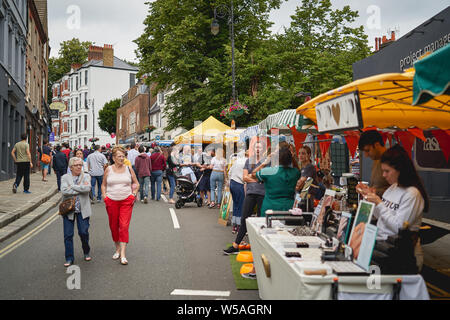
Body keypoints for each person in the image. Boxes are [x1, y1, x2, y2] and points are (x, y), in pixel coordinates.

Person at [363, 144, 429, 271]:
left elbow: (398, 227)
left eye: (387, 171)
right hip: (382, 249)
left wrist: (379, 203)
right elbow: (381, 216)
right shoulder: (392, 188)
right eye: (383, 171)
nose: (383, 175)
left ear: (400, 170)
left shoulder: (412, 194)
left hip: (400, 256)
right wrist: (370, 197)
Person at [223, 140, 267, 255]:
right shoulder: (249, 161)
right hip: (251, 192)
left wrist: (253, 178)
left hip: (263, 193)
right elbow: (244, 178)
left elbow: (266, 178)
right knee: (244, 218)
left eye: (260, 147)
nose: (258, 149)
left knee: (262, 220)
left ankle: (260, 246)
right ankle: (236, 245)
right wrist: (258, 180)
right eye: (256, 147)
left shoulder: (266, 162)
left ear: (263, 149)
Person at [101, 146, 140, 265]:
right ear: (113, 158)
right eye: (119, 156)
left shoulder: (129, 168)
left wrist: (133, 194)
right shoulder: (108, 169)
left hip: (126, 201)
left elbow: (136, 183)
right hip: (111, 201)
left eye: (123, 156)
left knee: (123, 226)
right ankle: (117, 248)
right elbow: (103, 185)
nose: (122, 158)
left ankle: (123, 254)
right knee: (114, 226)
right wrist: (105, 197)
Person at [60, 157, 92, 267]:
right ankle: (69, 258)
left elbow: (87, 189)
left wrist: (72, 186)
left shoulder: (86, 176)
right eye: (76, 165)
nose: (79, 167)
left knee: (83, 232)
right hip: (68, 210)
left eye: (80, 165)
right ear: (71, 167)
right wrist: (80, 188)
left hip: (83, 210)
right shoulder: (65, 177)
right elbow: (64, 191)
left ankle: (86, 250)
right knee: (68, 235)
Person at [357, 130, 390, 197]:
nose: (366, 155)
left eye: (367, 150)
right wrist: (366, 188)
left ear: (377, 145)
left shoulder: (392, 160)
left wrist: (373, 191)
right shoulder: (376, 160)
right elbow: (377, 186)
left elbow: (399, 191)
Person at [228, 150, 247, 234]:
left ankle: (234, 226)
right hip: (239, 184)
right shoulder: (247, 161)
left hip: (232, 183)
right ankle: (239, 226)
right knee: (241, 205)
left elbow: (229, 172)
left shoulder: (237, 161)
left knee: (235, 205)